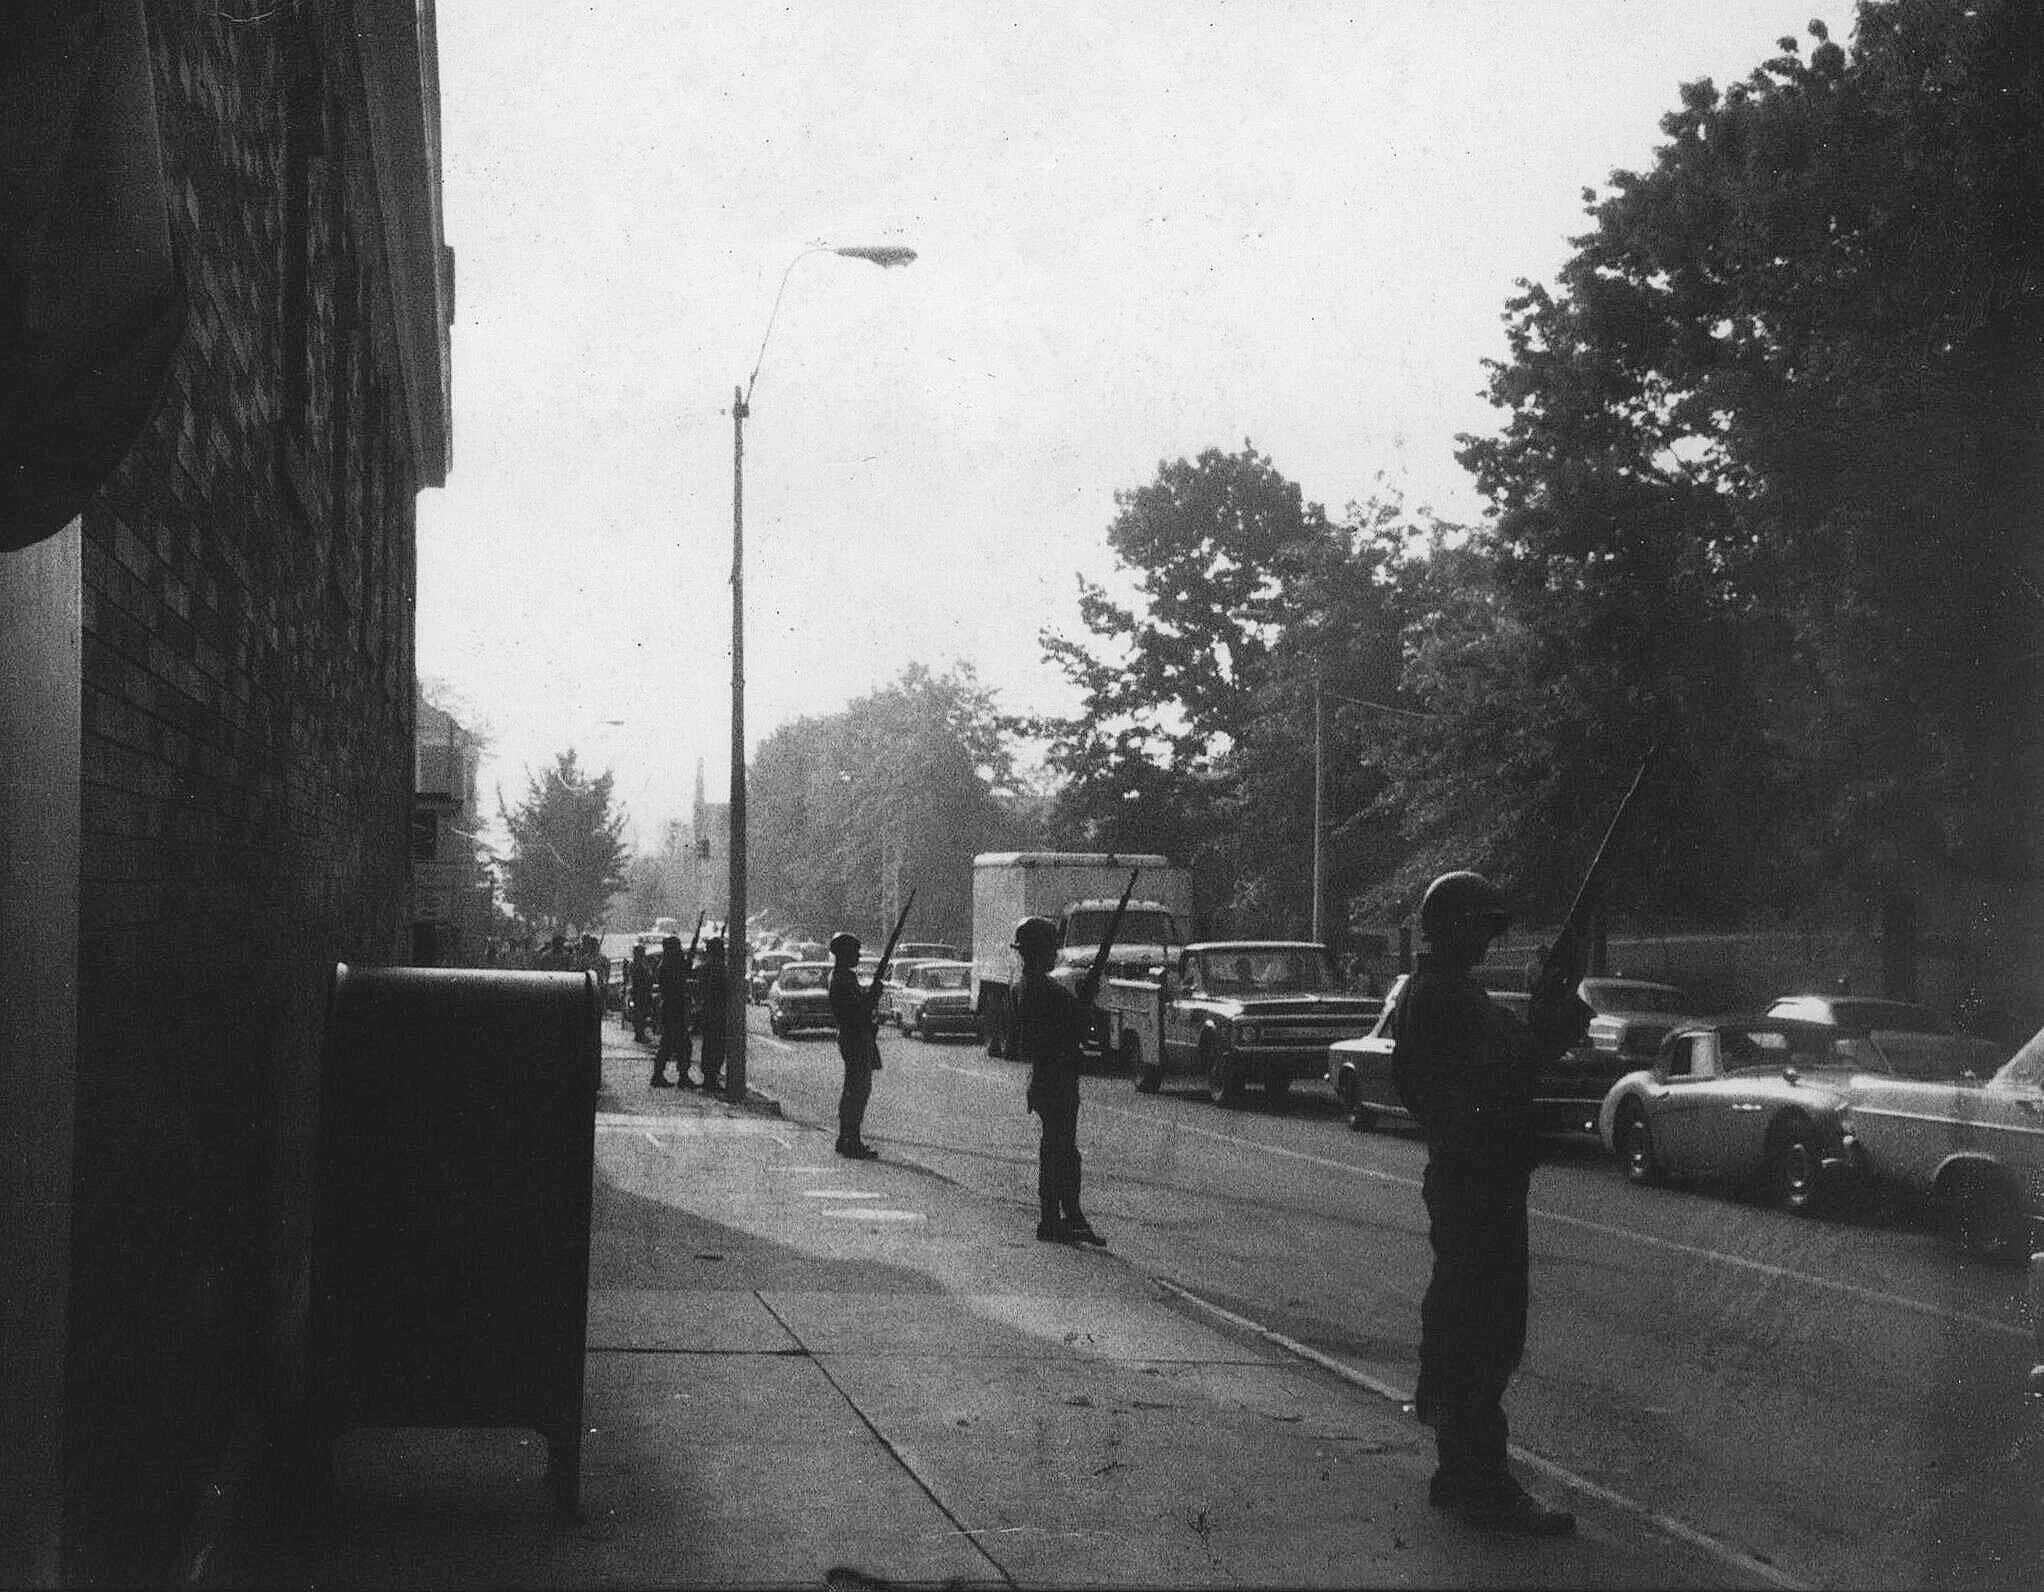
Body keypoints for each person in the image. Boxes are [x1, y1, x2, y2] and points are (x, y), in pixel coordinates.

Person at [1392, 870, 1591, 1536]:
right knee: (1487, 1331)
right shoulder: (1448, 996)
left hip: (1467, 1175)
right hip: (1479, 1180)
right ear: (1448, 926)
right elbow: (1518, 1059)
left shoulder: (1436, 992)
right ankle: (1486, 1483)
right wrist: (1554, 1006)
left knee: (1462, 1323)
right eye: (1478, 925)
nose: (1486, 938)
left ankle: (1460, 1468)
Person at [1005, 915, 1105, 1246]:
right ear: (1038, 951)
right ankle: (1065, 1217)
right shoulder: (1044, 990)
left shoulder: (1023, 987)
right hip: (1057, 1077)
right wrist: (1086, 1000)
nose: (1054, 954)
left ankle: (1056, 1217)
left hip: (1045, 1078)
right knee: (1062, 1152)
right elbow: (1077, 1028)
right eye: (1049, 947)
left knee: (1055, 1150)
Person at [827, 932, 881, 1159]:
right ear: (844, 954)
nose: (858, 956)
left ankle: (847, 1137)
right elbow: (858, 1012)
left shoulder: (844, 977)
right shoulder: (842, 980)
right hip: (854, 1037)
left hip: (854, 1036)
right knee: (858, 1090)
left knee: (855, 1088)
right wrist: (874, 996)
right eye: (854, 952)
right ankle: (851, 1138)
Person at [650, 935, 693, 1088]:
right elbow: (682, 976)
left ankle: (680, 1075)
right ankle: (665, 1075)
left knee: (677, 1045)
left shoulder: (668, 964)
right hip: (673, 1007)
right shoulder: (668, 966)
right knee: (672, 1044)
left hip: (673, 1007)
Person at [696, 936, 730, 1093]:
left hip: (708, 1011)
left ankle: (710, 1077)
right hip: (716, 1012)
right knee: (716, 1047)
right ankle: (711, 1078)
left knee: (710, 1045)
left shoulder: (705, 967)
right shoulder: (718, 968)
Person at [628, 943, 654, 1043]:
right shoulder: (637, 966)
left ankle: (640, 1033)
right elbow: (639, 980)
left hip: (643, 992)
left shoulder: (640, 965)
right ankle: (639, 1034)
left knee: (642, 1014)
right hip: (640, 993)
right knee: (640, 1014)